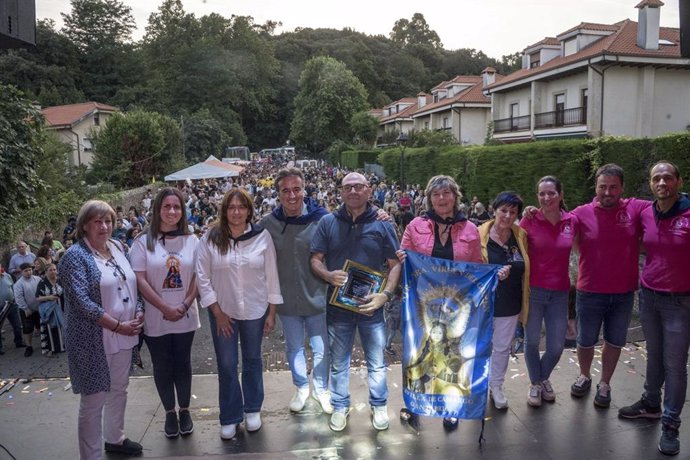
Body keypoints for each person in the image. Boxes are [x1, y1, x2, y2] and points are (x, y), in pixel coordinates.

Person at [399, 175, 505, 427]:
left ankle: (451, 405)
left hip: (457, 307)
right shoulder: (415, 225)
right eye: (436, 194)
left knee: (452, 355)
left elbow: (477, 266)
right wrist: (401, 257)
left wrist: (494, 274)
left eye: (447, 193)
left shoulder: (469, 229)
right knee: (419, 353)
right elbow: (403, 259)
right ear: (429, 199)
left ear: (455, 197)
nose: (442, 198)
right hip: (422, 305)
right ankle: (416, 403)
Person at [310, 172, 401, 433]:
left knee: (377, 361)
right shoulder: (328, 222)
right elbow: (315, 259)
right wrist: (327, 274)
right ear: (340, 192)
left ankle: (379, 404)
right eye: (348, 187)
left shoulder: (383, 224)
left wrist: (384, 295)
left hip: (371, 306)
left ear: (369, 190)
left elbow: (395, 265)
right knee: (339, 362)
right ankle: (340, 406)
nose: (353, 191)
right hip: (338, 307)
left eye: (358, 187)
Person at [59, 200, 144, 459]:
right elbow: (82, 302)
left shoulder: (117, 247)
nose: (104, 226)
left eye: (107, 221)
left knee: (119, 388)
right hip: (93, 339)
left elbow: (132, 283)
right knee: (94, 399)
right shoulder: (74, 257)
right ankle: (91, 455)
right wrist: (118, 325)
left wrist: (139, 309)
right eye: (97, 221)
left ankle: (115, 438)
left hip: (125, 335)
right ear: (84, 225)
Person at [196, 188, 282, 440]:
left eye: (241, 207)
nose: (236, 212)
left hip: (255, 309)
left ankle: (252, 408)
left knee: (253, 359)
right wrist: (217, 311)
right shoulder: (211, 238)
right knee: (226, 363)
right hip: (223, 312)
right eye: (231, 207)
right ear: (224, 210)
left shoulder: (261, 237)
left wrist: (272, 312)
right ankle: (231, 415)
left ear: (248, 210)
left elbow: (272, 274)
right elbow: (202, 277)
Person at [618, 161, 690, 456]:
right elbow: (610, 200)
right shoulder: (646, 212)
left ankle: (671, 424)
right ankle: (650, 403)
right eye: (656, 178)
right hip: (649, 296)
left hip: (680, 301)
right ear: (650, 184)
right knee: (654, 355)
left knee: (675, 364)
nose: (662, 183)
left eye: (668, 178)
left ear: (679, 182)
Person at [568, 164, 650, 408]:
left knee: (615, 340)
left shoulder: (635, 208)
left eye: (613, 187)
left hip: (623, 292)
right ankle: (584, 376)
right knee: (584, 340)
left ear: (622, 188)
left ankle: (605, 383)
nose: (607, 192)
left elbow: (665, 205)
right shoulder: (581, 213)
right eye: (603, 187)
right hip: (590, 290)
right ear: (596, 187)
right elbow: (557, 224)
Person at [259, 168, 333, 414]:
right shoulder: (269, 224)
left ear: (305, 190)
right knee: (294, 347)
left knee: (321, 347)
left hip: (318, 297)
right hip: (287, 299)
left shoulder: (322, 219)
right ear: (278, 194)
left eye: (296, 189)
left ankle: (322, 388)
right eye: (285, 190)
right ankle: (301, 387)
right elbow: (240, 237)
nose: (292, 195)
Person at [130, 188, 201, 439]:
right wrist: (164, 307)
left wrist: (183, 305)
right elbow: (140, 280)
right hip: (155, 316)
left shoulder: (193, 240)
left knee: (182, 362)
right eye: (167, 206)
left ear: (183, 210)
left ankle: (185, 410)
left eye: (177, 207)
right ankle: (169, 411)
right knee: (162, 364)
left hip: (186, 314)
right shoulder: (142, 242)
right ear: (158, 209)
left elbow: (197, 277)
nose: (172, 211)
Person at [519, 176, 577, 407]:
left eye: (551, 193)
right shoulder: (530, 220)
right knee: (531, 341)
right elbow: (514, 247)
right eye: (542, 193)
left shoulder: (572, 221)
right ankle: (536, 383)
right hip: (533, 291)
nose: (546, 198)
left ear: (560, 195)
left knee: (556, 346)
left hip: (559, 293)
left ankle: (542, 378)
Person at [478, 191, 529, 410]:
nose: (508, 216)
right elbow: (468, 267)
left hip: (510, 303)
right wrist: (492, 274)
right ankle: (475, 385)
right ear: (494, 210)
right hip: (482, 304)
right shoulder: (478, 234)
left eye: (513, 212)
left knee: (501, 348)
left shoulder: (521, 235)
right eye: (503, 210)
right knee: (478, 347)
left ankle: (496, 386)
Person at [35, 263, 65, 355]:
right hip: (49, 310)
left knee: (62, 326)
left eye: (54, 270)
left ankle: (64, 346)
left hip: (62, 308)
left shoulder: (60, 280)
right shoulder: (42, 282)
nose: (53, 272)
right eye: (50, 270)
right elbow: (37, 298)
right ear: (46, 272)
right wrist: (49, 297)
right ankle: (52, 348)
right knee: (50, 327)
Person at [13, 263, 42, 357]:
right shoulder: (18, 284)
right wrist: (25, 308)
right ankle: (29, 347)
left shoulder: (37, 279)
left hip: (39, 307)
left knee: (41, 325)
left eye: (30, 270)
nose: (28, 272)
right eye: (26, 271)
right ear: (21, 272)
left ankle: (45, 342)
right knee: (27, 328)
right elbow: (19, 297)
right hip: (26, 309)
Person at [0, 262, 25, 354]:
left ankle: (18, 342)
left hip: (11, 304)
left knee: (17, 325)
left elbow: (12, 286)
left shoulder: (7, 276)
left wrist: (15, 299)